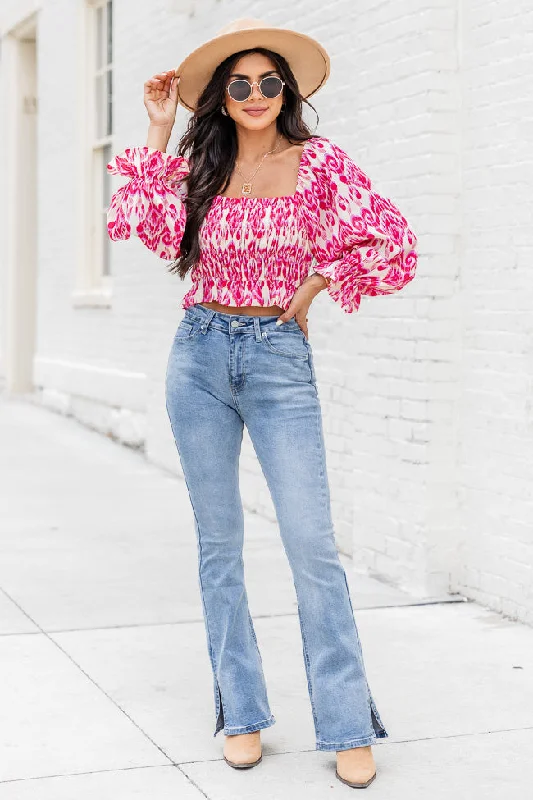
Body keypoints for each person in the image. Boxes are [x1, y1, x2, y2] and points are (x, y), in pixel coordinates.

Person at [106, 18, 417, 790]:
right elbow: (141, 227)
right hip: (198, 357)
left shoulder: (317, 165)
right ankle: (239, 713)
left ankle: (345, 724)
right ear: (221, 96)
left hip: (277, 360)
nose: (253, 95)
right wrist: (157, 124)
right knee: (219, 548)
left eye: (268, 82)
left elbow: (392, 242)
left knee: (311, 548)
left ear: (288, 93)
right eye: (238, 84)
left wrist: (316, 281)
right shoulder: (201, 166)